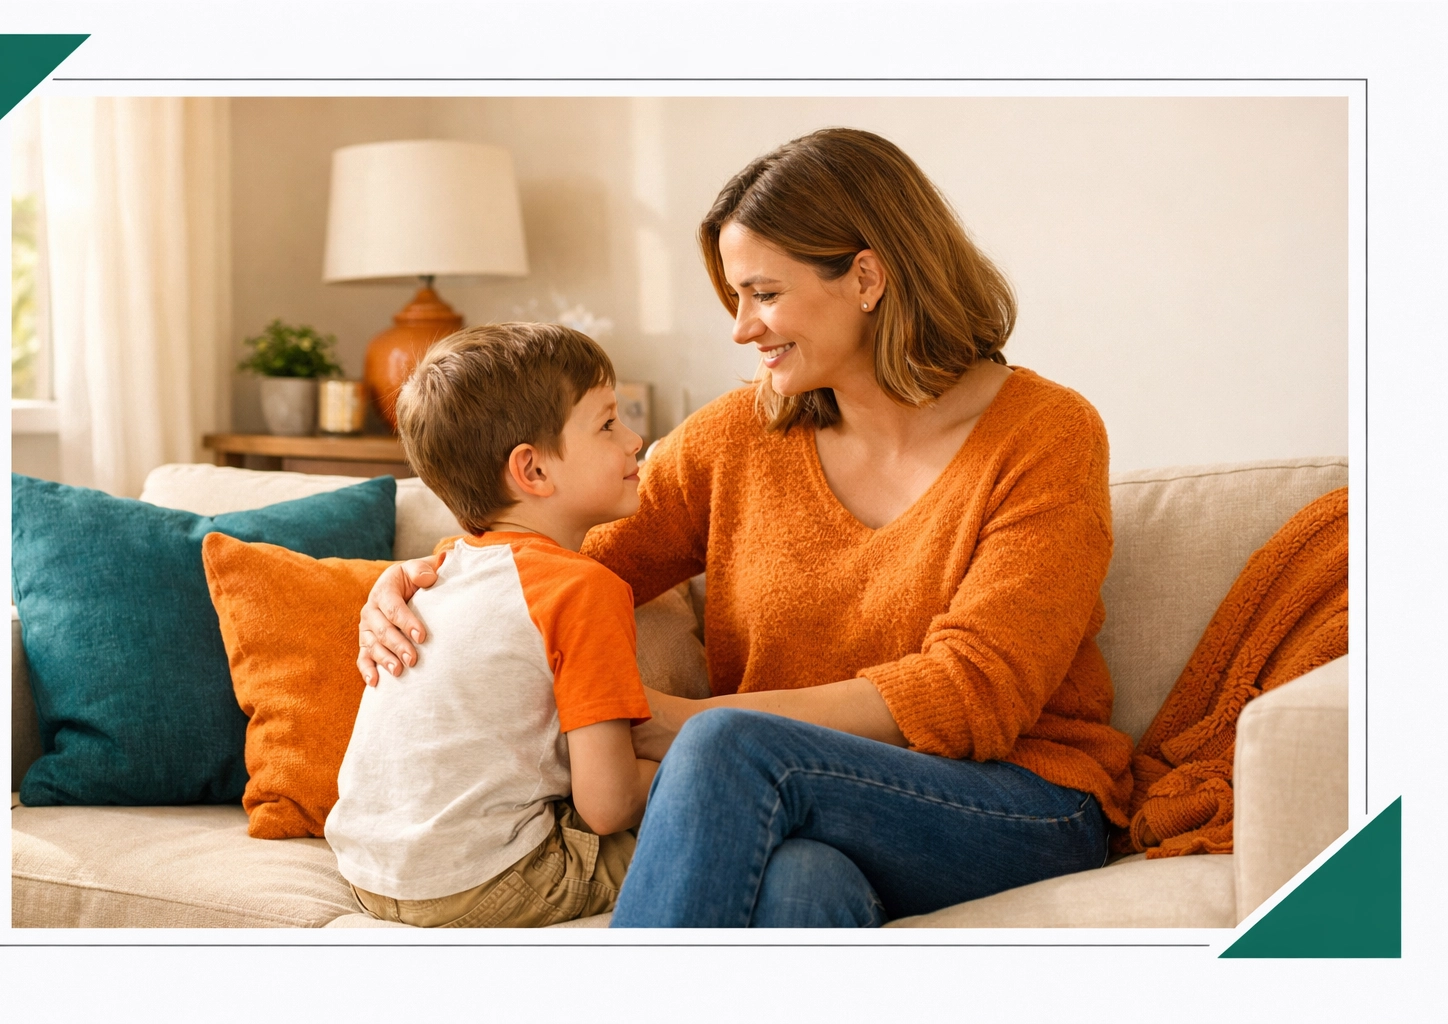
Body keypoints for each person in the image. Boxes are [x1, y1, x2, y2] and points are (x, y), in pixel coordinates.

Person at [358, 128, 1136, 927]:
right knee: (802, 888)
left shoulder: (1048, 434)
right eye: (734, 297)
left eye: (763, 293)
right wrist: (430, 578)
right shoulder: (736, 437)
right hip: (800, 800)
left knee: (727, 747)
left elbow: (977, 689)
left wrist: (683, 723)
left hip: (1020, 799)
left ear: (867, 277)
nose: (740, 327)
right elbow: (558, 563)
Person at [325, 322, 657, 928]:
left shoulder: (442, 568)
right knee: (718, 818)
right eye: (608, 423)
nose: (636, 440)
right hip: (484, 880)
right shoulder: (581, 589)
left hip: (368, 873)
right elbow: (608, 806)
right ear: (531, 471)